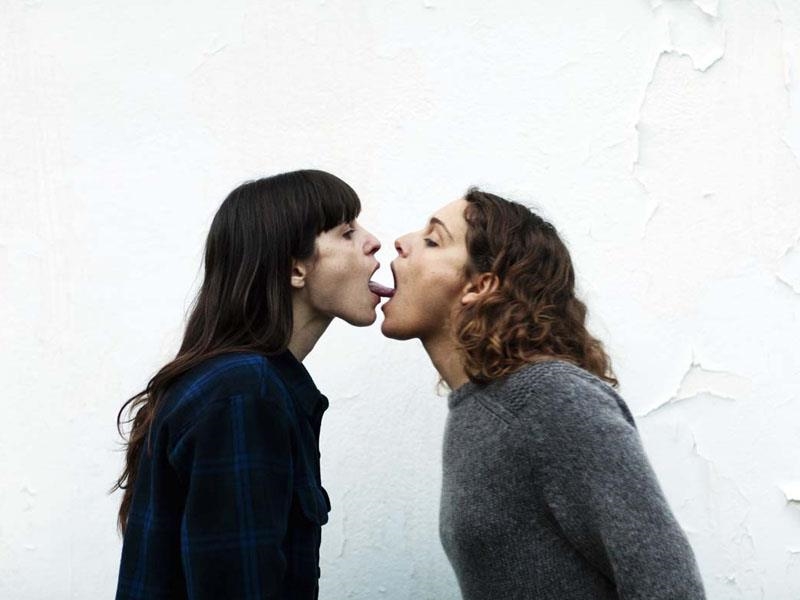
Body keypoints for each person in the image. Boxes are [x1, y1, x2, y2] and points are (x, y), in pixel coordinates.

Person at [380, 188, 706, 599]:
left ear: (479, 285)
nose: (401, 242)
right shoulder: (477, 408)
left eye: (433, 240)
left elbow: (668, 583)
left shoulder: (551, 399)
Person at [113, 170, 387, 599]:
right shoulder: (244, 393)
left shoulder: (245, 384)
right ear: (295, 268)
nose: (374, 242)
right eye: (347, 232)